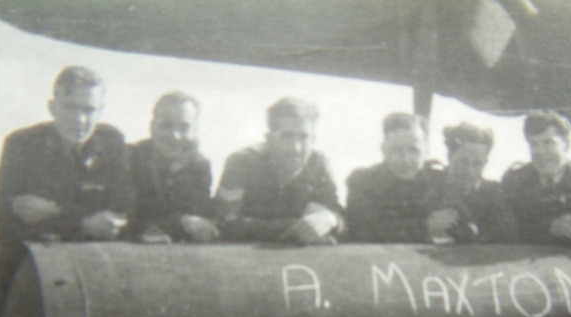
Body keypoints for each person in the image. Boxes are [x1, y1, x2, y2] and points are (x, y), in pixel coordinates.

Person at [0, 66, 133, 317]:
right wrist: (84, 220)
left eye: (89, 109)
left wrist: (54, 212)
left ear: (101, 110)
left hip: (91, 256)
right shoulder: (21, 145)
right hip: (36, 258)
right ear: (53, 107)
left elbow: (122, 211)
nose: (80, 120)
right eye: (71, 108)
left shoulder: (112, 142)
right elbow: (6, 226)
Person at [215, 97, 344, 244]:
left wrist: (330, 219)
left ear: (313, 140)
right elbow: (226, 223)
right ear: (269, 139)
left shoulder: (319, 164)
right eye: (286, 136)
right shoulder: (241, 162)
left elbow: (339, 217)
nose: (296, 148)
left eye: (303, 137)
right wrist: (299, 227)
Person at [502, 110, 571, 252]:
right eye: (533, 144)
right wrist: (549, 228)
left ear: (566, 144)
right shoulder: (515, 181)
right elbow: (504, 232)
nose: (539, 151)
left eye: (548, 143)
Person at [130, 91, 218, 243]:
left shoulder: (199, 166)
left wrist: (178, 170)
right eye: (166, 125)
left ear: (194, 131)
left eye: (184, 127)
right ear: (152, 126)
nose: (174, 135)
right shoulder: (130, 157)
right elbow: (132, 216)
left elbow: (200, 217)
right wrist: (179, 223)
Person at [346, 113, 442, 243]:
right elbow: (363, 230)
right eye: (396, 151)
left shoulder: (440, 182)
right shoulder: (363, 181)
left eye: (414, 150)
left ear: (426, 151)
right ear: (383, 150)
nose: (405, 160)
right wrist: (425, 226)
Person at [425, 122, 516, 244]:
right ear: (449, 156)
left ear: (485, 163)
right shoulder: (428, 183)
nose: (469, 171)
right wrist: (426, 224)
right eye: (463, 161)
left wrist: (470, 233)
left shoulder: (494, 193)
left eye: (477, 164)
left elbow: (508, 235)